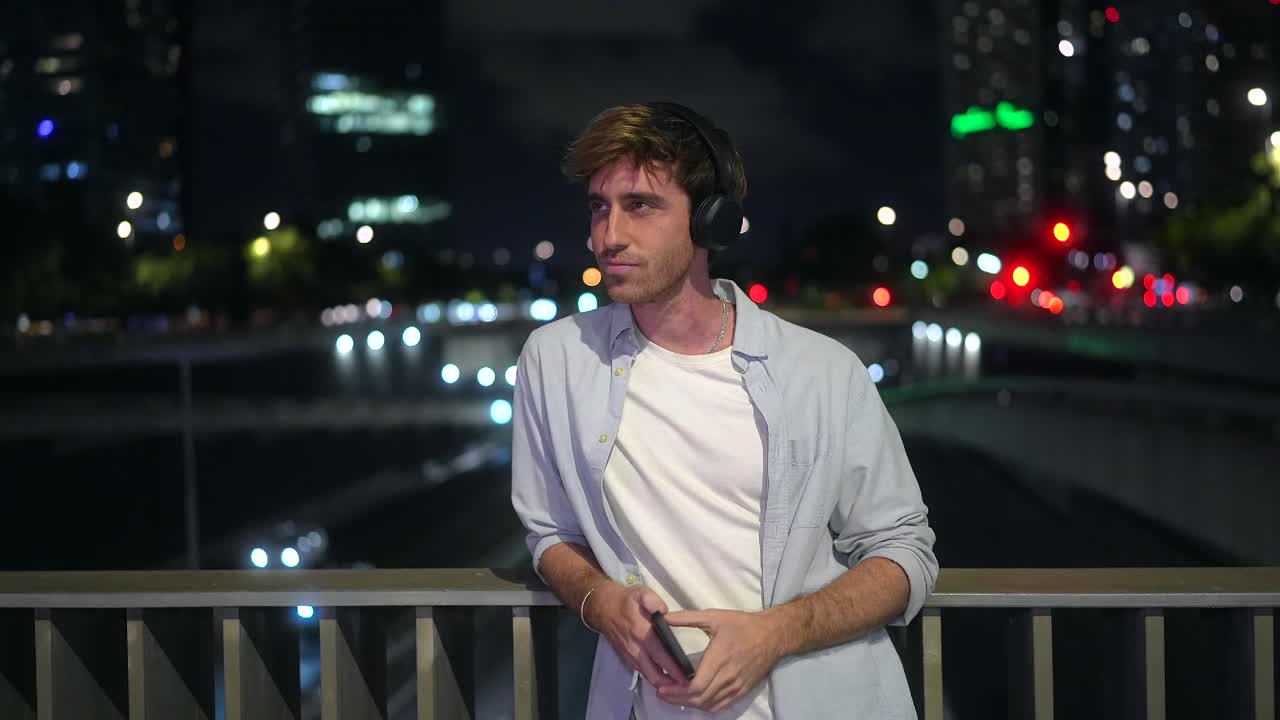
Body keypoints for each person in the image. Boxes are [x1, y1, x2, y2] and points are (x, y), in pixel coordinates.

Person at [510, 102, 938, 719]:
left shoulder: (822, 371)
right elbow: (550, 534)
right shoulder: (556, 361)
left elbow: (903, 551)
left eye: (641, 205)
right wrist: (599, 600)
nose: (608, 236)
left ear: (711, 223)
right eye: (600, 207)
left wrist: (777, 633)